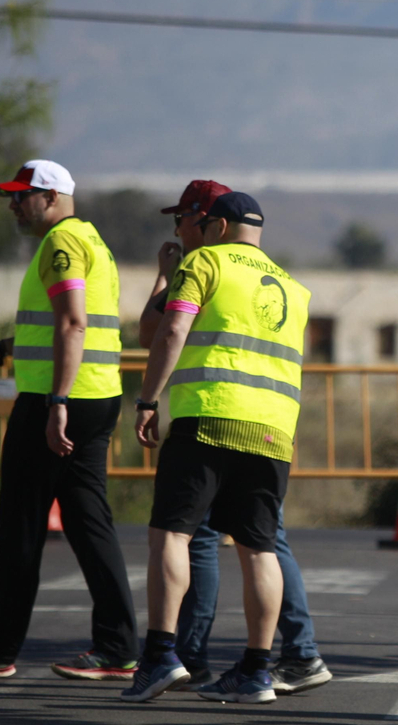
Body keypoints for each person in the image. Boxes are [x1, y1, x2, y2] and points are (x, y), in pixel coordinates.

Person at [139, 180, 332, 693]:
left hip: (209, 416)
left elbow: (168, 330)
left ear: (218, 227)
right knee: (259, 547)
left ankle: (163, 654)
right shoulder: (295, 288)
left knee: (173, 533)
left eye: (200, 224)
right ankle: (256, 670)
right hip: (273, 429)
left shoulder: (206, 264)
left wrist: (147, 399)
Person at [0, 161, 139, 680]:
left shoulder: (60, 245)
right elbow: (63, 328)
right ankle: (118, 648)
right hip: (95, 396)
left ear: (51, 197)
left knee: (22, 525)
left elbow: (74, 324)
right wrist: (2, 348)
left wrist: (56, 402)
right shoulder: (89, 240)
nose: (13, 205)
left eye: (21, 195)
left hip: (58, 402)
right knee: (87, 523)